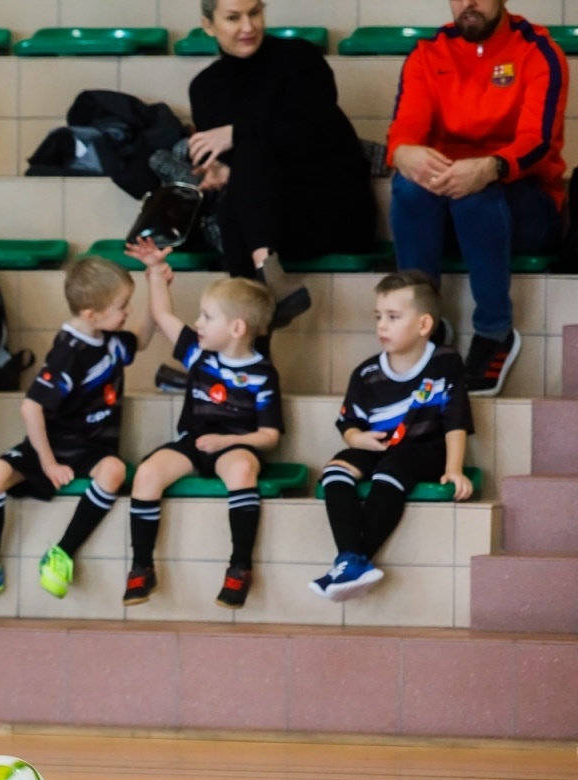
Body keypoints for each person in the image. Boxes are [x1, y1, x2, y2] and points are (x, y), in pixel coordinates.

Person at [0, 257, 154, 601]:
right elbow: (31, 407)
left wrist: (158, 285)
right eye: (122, 306)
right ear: (90, 313)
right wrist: (49, 462)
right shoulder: (68, 352)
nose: (127, 312)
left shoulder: (109, 338)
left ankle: (62, 553)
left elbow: (140, 340)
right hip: (52, 444)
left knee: (113, 471)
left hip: (92, 447)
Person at [387, 0, 567, 397]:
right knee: (406, 186)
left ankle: (494, 330)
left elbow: (536, 142)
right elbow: (403, 134)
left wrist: (488, 168)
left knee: (475, 194)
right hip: (448, 205)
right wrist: (404, 153)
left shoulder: (538, 51)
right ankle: (424, 320)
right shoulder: (427, 54)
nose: (468, 3)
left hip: (526, 204)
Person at [185, 0, 375, 329]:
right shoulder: (205, 88)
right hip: (271, 215)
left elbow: (312, 134)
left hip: (333, 204)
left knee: (248, 161)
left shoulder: (300, 59)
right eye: (233, 18)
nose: (248, 27)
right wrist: (221, 171)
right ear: (208, 25)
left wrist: (237, 134)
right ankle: (269, 278)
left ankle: (248, 358)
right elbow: (246, 166)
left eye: (255, 13)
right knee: (234, 207)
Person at [124, 239, 283, 610]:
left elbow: (270, 436)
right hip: (193, 443)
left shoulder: (263, 374)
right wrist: (154, 272)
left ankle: (240, 566)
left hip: (236, 446)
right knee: (147, 474)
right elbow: (163, 314)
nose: (197, 324)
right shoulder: (199, 352)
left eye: (207, 317)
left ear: (237, 328)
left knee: (243, 469)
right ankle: (141, 565)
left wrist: (226, 443)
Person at [313, 272, 474, 601]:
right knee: (334, 472)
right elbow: (349, 424)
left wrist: (454, 468)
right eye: (378, 317)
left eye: (393, 317)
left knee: (390, 469)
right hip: (376, 447)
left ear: (424, 324)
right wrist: (359, 439)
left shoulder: (445, 363)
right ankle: (350, 559)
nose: (382, 326)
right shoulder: (366, 372)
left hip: (423, 450)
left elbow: (456, 421)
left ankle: (355, 560)